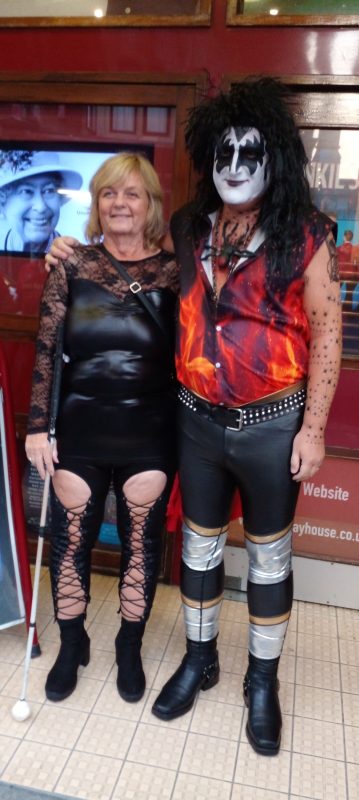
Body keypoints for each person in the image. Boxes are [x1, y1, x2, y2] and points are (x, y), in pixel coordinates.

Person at [46, 77, 342, 756]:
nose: (235, 167)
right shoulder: (187, 227)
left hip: (274, 423)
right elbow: (129, 266)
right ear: (209, 155)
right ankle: (198, 659)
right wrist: (66, 249)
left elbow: (327, 328)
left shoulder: (306, 233)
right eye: (223, 153)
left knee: (269, 560)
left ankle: (260, 683)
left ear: (275, 158)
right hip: (197, 423)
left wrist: (314, 428)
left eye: (250, 152)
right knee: (199, 549)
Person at [25, 152, 178, 705]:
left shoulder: (173, 272)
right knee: (71, 545)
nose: (120, 203)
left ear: (150, 205)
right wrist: (38, 426)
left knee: (141, 546)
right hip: (81, 429)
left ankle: (129, 648)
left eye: (132, 194)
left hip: (149, 432)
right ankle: (72, 645)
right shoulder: (70, 265)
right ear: (97, 204)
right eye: (110, 193)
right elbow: (47, 348)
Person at [0, 150, 82, 254]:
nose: (40, 207)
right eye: (26, 191)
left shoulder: (76, 259)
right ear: (2, 203)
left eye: (49, 191)